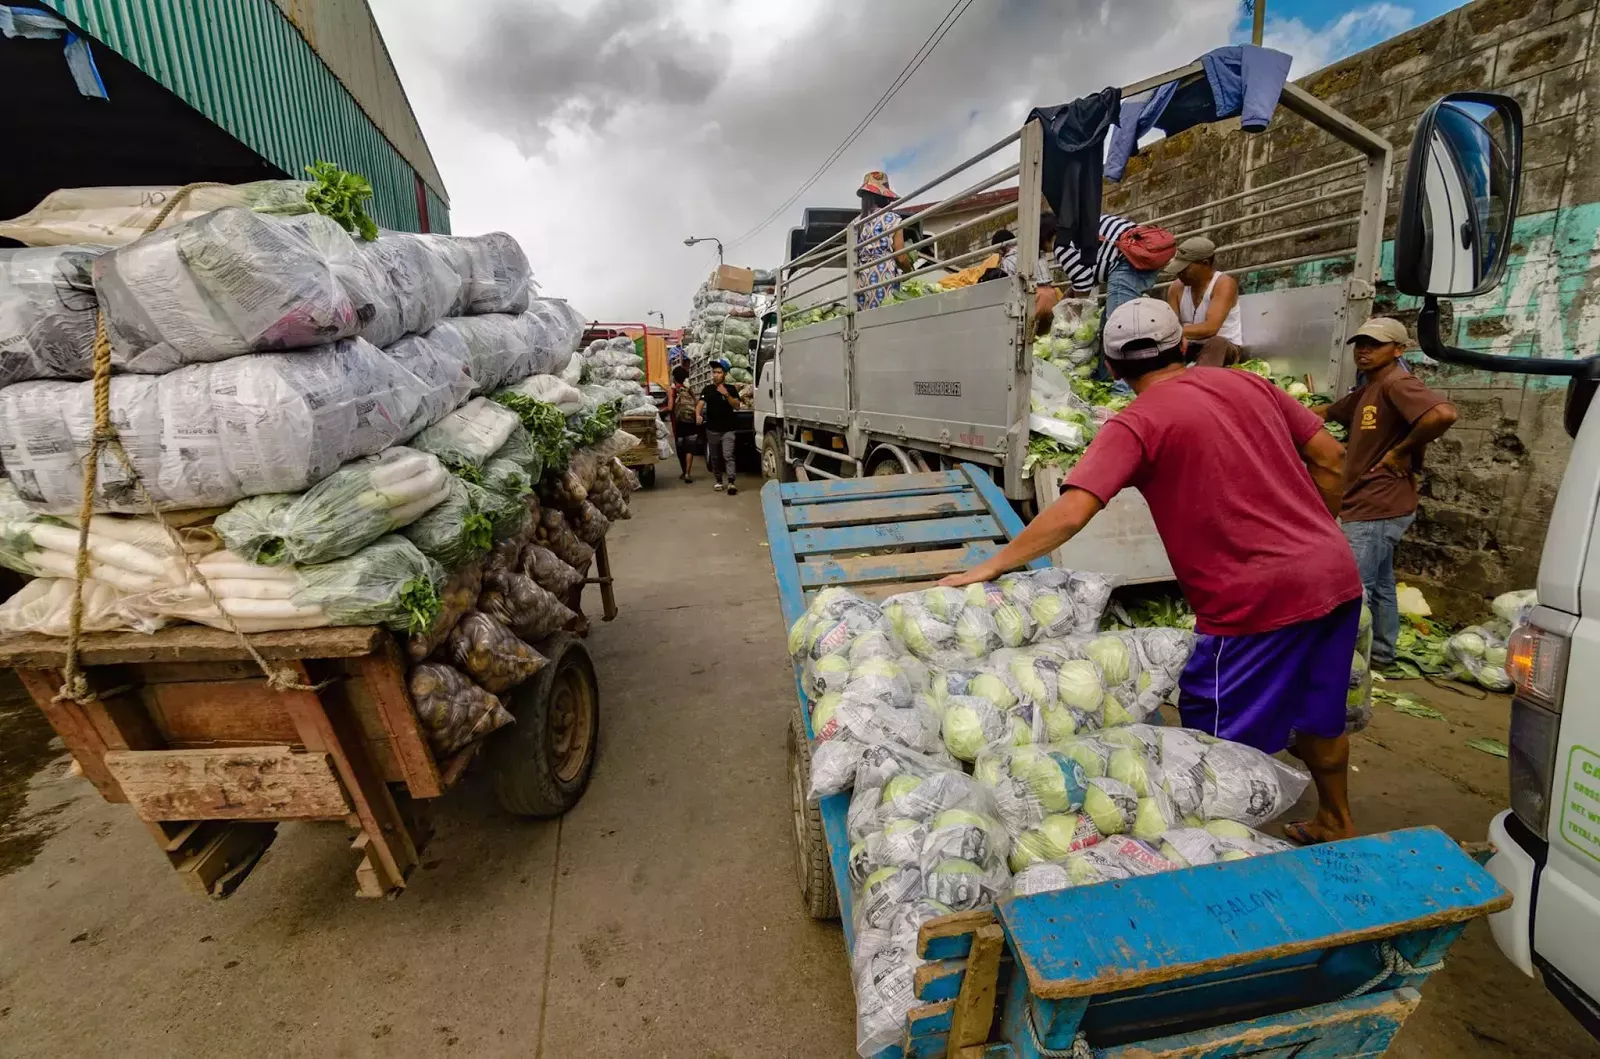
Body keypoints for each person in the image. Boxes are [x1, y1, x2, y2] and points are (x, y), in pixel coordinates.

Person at [939, 298, 1362, 846]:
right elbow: (1330, 458)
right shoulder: (1251, 386)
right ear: (1182, 347)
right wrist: (1312, 530)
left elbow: (1072, 512)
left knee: (1211, 746)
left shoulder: (1136, 424)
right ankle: (1336, 818)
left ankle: (1223, 862)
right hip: (1333, 574)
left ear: (1111, 368)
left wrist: (991, 566)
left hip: (1253, 600)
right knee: (1320, 713)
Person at [1317, 318, 1459, 670]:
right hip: (1374, 503)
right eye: (1360, 343)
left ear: (1398, 350)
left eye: (1375, 344)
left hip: (1378, 503)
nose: (1363, 350)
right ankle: (1381, 655)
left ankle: (1338, 668)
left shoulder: (1398, 382)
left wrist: (1400, 451)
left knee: (1351, 590)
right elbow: (1328, 412)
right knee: (1380, 587)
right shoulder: (1370, 387)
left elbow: (1443, 414)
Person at [1051, 212, 1157, 320]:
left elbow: (1083, 283)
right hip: (1146, 255)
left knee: (1117, 323)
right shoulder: (1081, 224)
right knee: (1109, 324)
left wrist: (1073, 319)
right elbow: (1086, 273)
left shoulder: (1061, 242)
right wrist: (1071, 293)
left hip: (1127, 262)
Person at [1163, 236, 1243, 367]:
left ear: (1205, 264)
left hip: (1223, 349)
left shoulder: (1223, 284)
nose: (1179, 274)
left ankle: (1200, 382)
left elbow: (1210, 328)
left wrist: (1174, 332)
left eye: (1185, 269)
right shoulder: (1176, 288)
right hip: (1189, 346)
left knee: (1217, 343)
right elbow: (1171, 324)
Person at [854, 171, 913, 310]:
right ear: (885, 197)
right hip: (884, 273)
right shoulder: (892, 219)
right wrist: (909, 271)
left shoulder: (856, 223)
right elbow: (901, 257)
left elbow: (852, 258)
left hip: (863, 277)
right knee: (886, 314)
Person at [697, 360, 745, 495]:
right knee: (715, 457)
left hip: (728, 429)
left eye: (719, 372)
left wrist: (726, 394)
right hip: (712, 430)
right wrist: (698, 415)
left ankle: (731, 482)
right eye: (714, 372)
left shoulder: (731, 389)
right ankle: (718, 480)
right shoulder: (708, 389)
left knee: (728, 455)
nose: (715, 375)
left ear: (725, 374)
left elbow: (737, 405)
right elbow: (700, 404)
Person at [666, 364, 700, 483]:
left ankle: (683, 471)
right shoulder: (688, 389)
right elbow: (696, 402)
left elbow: (670, 407)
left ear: (674, 377)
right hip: (690, 422)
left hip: (679, 423)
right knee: (690, 448)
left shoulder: (672, 390)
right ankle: (687, 473)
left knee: (681, 448)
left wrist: (660, 411)